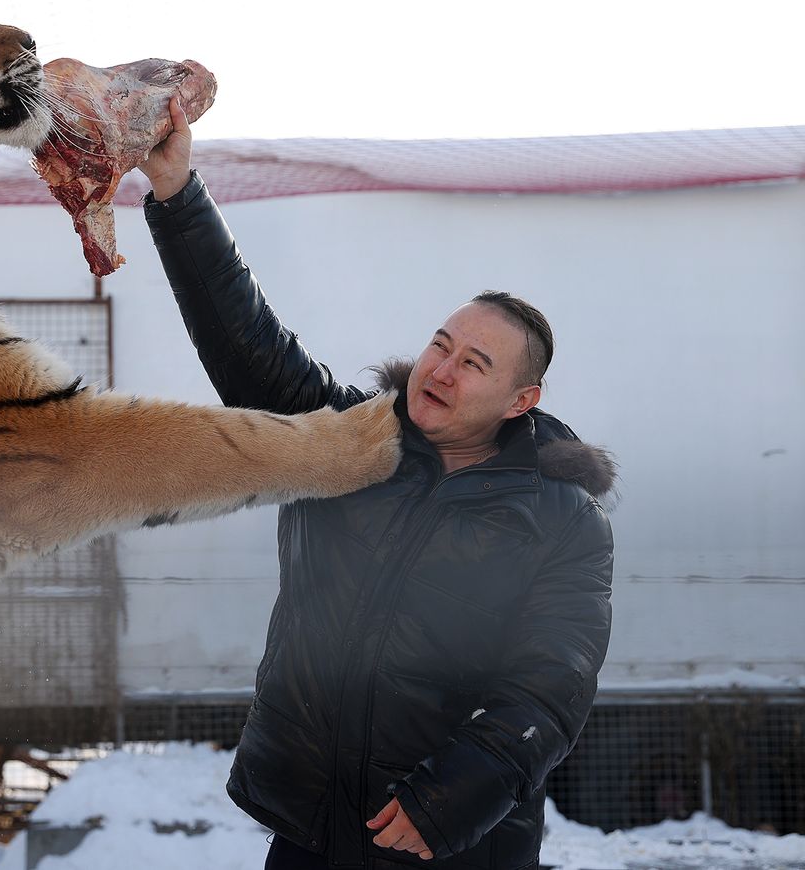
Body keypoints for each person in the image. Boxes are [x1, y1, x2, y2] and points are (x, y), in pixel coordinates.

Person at [137, 97, 616, 870]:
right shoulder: (347, 440)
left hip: (446, 843)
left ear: (521, 402)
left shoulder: (562, 520)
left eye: (475, 364)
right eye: (441, 343)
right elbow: (246, 346)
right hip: (310, 828)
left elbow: (550, 684)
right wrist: (177, 195)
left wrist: (452, 799)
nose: (442, 369)